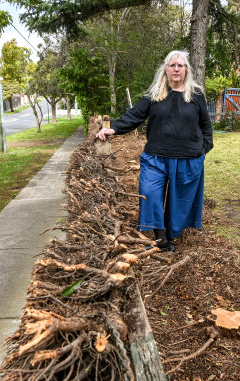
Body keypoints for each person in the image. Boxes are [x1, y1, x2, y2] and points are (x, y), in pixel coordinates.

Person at [96, 50, 213, 251]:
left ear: (186, 70)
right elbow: (135, 115)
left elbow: (205, 125)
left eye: (181, 65)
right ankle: (160, 236)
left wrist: (203, 149)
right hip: (155, 157)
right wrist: (113, 128)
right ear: (165, 69)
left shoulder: (195, 95)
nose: (176, 69)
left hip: (187, 158)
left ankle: (171, 233)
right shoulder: (155, 94)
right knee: (149, 192)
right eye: (172, 65)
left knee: (180, 201)